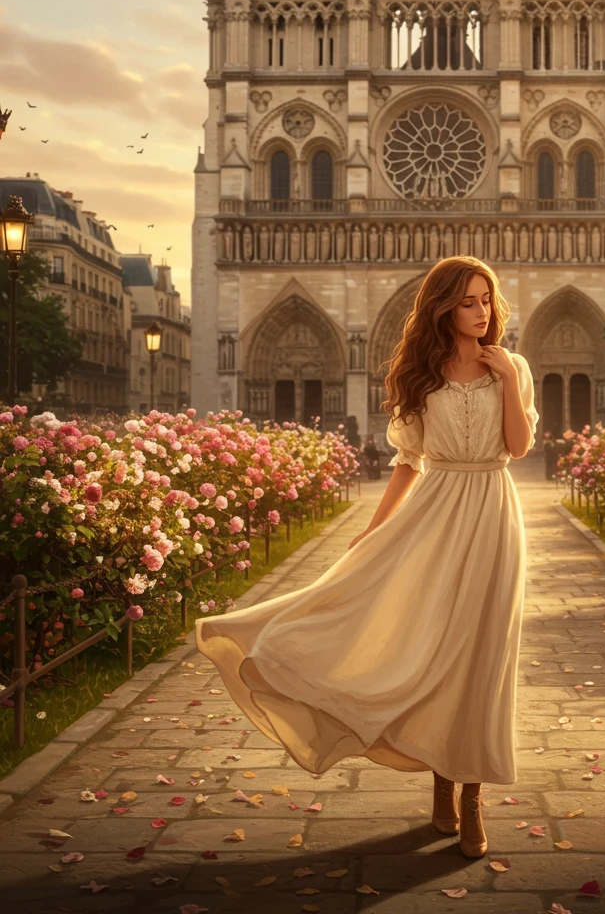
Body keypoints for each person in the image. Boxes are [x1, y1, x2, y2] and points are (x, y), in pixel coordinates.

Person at [193, 255, 538, 861]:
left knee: (484, 658)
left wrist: (508, 376)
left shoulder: (513, 368)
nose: (482, 312)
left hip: (494, 515)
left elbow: (518, 445)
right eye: (467, 302)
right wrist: (374, 532)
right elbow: (408, 462)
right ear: (442, 309)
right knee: (435, 652)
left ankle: (473, 796)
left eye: (487, 299)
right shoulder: (420, 376)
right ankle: (441, 780)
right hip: (434, 516)